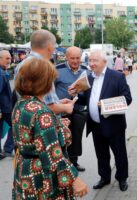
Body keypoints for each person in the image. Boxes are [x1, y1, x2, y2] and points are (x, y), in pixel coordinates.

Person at [12, 57, 88, 199]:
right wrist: (75, 179)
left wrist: (58, 126)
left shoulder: (22, 103)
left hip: (25, 172)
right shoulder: (42, 112)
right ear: (44, 82)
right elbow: (53, 155)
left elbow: (32, 135)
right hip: (42, 178)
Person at [69, 50, 132, 192]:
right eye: (90, 60)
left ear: (104, 62)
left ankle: (122, 178)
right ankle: (104, 177)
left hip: (114, 125)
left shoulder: (117, 77)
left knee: (119, 153)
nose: (91, 63)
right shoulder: (89, 78)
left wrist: (106, 104)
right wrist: (76, 95)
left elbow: (127, 99)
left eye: (95, 60)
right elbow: (87, 99)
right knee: (101, 154)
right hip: (95, 124)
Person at [14, 29, 74, 116]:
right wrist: (66, 107)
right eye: (54, 46)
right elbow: (48, 107)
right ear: (49, 47)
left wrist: (58, 102)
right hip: (43, 124)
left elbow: (34, 102)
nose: (54, 50)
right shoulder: (43, 67)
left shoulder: (21, 65)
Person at [55, 46, 89, 172]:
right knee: (61, 138)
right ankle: (62, 165)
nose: (75, 61)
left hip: (79, 111)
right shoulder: (57, 70)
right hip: (61, 111)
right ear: (66, 57)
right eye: (72, 58)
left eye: (78, 58)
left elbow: (89, 91)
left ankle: (74, 163)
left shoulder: (86, 70)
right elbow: (50, 90)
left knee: (75, 138)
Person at [0, 50, 14, 160]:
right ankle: (8, 149)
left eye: (10, 58)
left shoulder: (3, 71)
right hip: (4, 108)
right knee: (15, 126)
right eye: (7, 58)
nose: (10, 61)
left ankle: (4, 150)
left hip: (5, 107)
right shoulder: (1, 73)